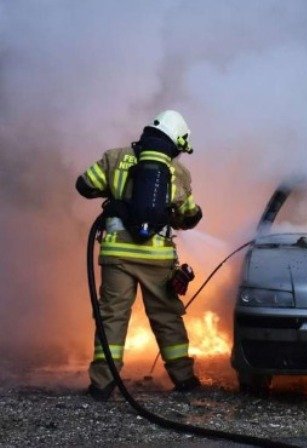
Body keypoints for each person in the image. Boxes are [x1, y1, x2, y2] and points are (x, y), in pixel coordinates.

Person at [76, 110, 203, 400]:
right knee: (167, 317)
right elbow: (189, 216)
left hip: (116, 256)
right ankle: (184, 379)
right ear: (175, 141)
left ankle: (102, 384)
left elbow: (84, 185)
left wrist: (118, 200)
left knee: (112, 317)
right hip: (156, 260)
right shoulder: (178, 173)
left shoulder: (114, 157)